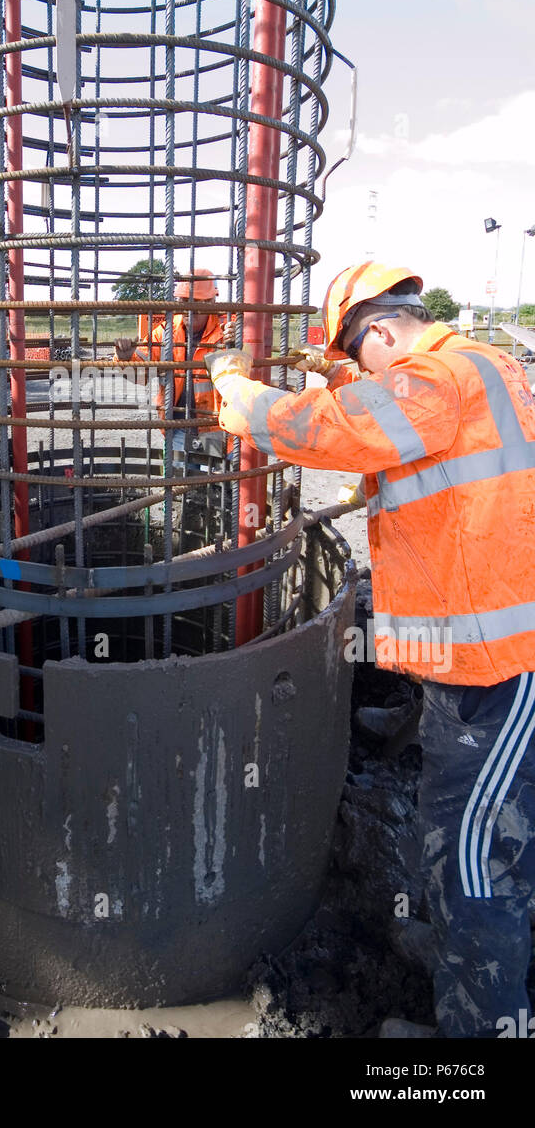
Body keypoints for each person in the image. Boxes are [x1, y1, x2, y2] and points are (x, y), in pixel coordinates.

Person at [206, 262, 535, 1040]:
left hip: (497, 667)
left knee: (475, 853)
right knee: (472, 832)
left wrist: (236, 390)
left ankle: (484, 1031)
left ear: (383, 332)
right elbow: (455, 473)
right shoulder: (487, 365)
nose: (359, 375)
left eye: (360, 359)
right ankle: (465, 960)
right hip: (479, 655)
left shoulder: (434, 379)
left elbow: (328, 429)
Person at [114, 269, 233, 457]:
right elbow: (140, 377)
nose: (188, 309)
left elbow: (246, 370)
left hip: (215, 428)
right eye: (183, 302)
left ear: (211, 302)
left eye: (195, 302)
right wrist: (125, 359)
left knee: (212, 482)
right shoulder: (166, 331)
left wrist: (236, 343)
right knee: (179, 480)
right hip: (177, 427)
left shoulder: (228, 330)